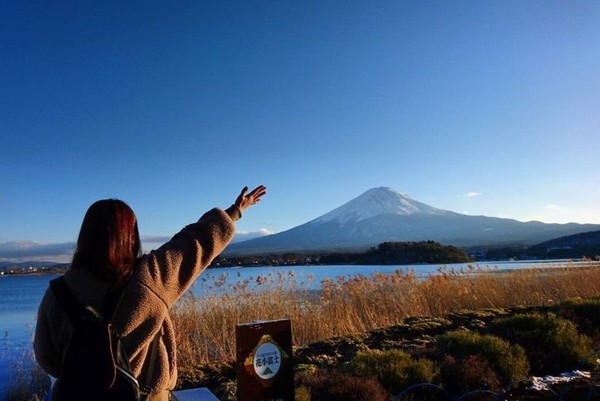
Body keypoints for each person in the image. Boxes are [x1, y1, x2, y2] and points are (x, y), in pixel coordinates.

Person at [34, 185, 267, 401]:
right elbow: (196, 242)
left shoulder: (58, 292)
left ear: (84, 238)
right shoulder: (149, 277)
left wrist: (90, 375)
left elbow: (47, 357)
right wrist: (236, 211)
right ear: (131, 236)